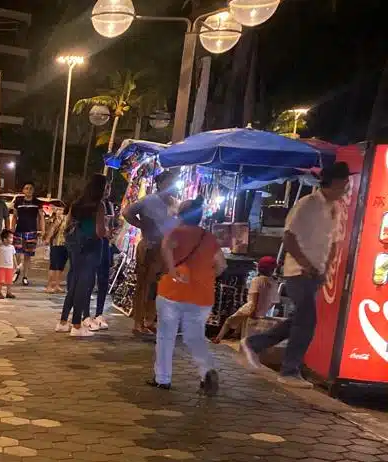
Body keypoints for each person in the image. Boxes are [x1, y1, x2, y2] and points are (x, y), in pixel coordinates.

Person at [242, 162, 350, 387]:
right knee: (307, 320)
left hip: (316, 273)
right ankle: (289, 371)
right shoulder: (307, 204)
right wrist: (305, 264)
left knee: (299, 319)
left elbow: (333, 242)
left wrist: (326, 266)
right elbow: (289, 237)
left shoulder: (335, 208)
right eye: (343, 184)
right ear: (333, 183)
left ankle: (254, 343)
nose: (346, 188)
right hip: (298, 272)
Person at [150, 198, 226, 394]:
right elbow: (222, 265)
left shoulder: (174, 233)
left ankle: (163, 378)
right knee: (195, 337)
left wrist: (173, 270)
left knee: (166, 336)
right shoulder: (209, 237)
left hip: (172, 292)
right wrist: (206, 276)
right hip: (201, 296)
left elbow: (165, 251)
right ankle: (206, 371)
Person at [123, 170, 179, 334]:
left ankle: (150, 319)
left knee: (160, 287)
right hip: (150, 245)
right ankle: (138, 322)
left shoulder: (174, 203)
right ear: (160, 184)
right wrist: (142, 225)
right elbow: (127, 212)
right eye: (169, 183)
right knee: (144, 285)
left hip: (166, 249)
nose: (172, 186)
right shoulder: (148, 200)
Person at [57, 174, 108, 337]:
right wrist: (108, 232)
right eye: (106, 186)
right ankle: (77, 325)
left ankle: (63, 322)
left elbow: (68, 224)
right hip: (91, 247)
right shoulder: (99, 206)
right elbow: (100, 231)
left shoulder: (76, 204)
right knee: (84, 285)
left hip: (75, 246)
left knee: (75, 282)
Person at [213, 255, 280, 343]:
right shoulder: (274, 283)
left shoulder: (257, 280)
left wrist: (253, 311)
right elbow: (274, 302)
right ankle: (235, 336)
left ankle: (218, 338)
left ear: (259, 268)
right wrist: (264, 310)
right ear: (272, 270)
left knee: (229, 321)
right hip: (262, 311)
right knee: (242, 325)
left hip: (250, 308)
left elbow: (255, 296)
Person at [90, 182, 120, 329]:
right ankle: (83, 315)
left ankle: (99, 313)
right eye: (105, 187)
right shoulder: (92, 204)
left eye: (109, 187)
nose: (107, 190)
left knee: (103, 279)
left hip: (105, 244)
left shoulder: (108, 204)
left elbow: (112, 223)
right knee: (88, 279)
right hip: (93, 244)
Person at [10, 183, 45, 286]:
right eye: (26, 188)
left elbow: (41, 216)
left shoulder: (37, 202)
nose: (28, 190)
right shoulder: (18, 201)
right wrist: (12, 228)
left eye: (30, 188)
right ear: (23, 190)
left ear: (33, 190)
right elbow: (15, 216)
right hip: (19, 230)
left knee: (28, 255)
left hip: (31, 231)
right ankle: (17, 269)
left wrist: (43, 230)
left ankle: (25, 277)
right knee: (16, 253)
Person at [45, 204, 69, 293]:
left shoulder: (69, 219)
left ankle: (57, 285)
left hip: (65, 244)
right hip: (56, 243)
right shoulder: (58, 218)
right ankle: (49, 285)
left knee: (60, 266)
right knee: (54, 266)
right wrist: (47, 239)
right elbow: (52, 229)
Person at [0, 230, 17, 299]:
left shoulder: (12, 247)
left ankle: (8, 292)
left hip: (10, 267)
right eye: (10, 238)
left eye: (12, 238)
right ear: (4, 239)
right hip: (1, 267)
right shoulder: (0, 247)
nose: (12, 239)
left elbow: (14, 256)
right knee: (0, 281)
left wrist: (16, 265)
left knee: (9, 281)